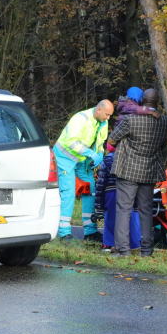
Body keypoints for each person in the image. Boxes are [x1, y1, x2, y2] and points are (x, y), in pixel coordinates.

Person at [107, 89, 167, 257]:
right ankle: (147, 250)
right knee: (146, 209)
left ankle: (123, 250)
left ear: (142, 100)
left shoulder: (130, 119)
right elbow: (163, 145)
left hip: (127, 170)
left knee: (124, 209)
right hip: (149, 171)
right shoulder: (165, 122)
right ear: (157, 102)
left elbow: (112, 139)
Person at [53, 100, 113, 242]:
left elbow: (100, 143)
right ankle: (64, 232)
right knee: (68, 193)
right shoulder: (81, 119)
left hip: (82, 161)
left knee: (91, 190)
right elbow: (71, 142)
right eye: (107, 114)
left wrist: (99, 154)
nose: (108, 118)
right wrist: (90, 154)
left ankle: (90, 231)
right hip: (65, 159)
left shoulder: (103, 123)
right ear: (99, 110)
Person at [94, 143, 141, 250]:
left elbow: (101, 184)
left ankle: (109, 244)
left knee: (110, 218)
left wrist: (99, 207)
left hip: (110, 192)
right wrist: (137, 203)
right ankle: (134, 243)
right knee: (131, 217)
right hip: (128, 192)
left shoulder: (106, 161)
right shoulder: (132, 159)